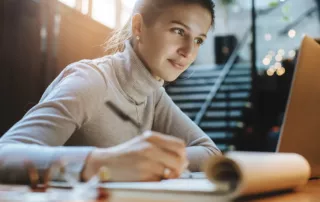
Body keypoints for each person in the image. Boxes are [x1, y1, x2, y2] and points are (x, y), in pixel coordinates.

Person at [0, 0, 221, 184]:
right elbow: (4, 153)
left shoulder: (154, 94)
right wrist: (102, 163)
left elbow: (210, 152)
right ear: (138, 27)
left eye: (199, 40)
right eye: (178, 31)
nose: (188, 51)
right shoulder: (91, 80)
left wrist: (155, 161)